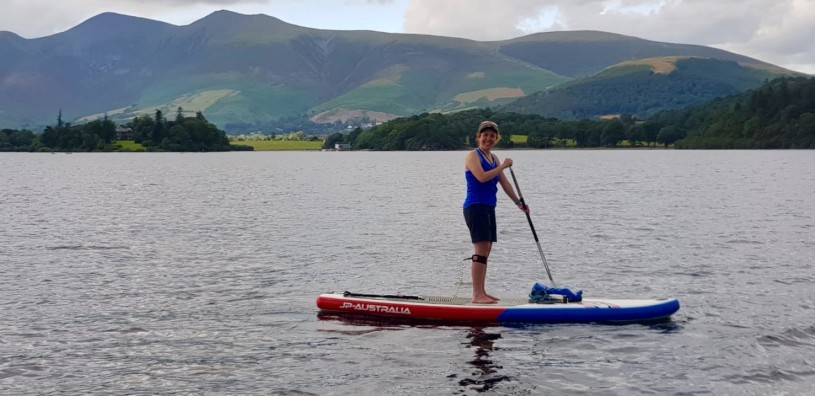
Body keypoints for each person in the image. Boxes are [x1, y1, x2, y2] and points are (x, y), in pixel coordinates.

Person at [463, 120, 529, 304]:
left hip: (489, 207)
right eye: (485, 135)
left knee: (487, 248)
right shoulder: (472, 156)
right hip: (475, 207)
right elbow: (482, 177)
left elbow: (504, 183)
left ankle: (482, 291)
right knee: (481, 249)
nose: (488, 139)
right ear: (478, 137)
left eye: (492, 136)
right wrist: (502, 166)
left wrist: (518, 202)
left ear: (496, 138)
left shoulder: (494, 158)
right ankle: (477, 295)